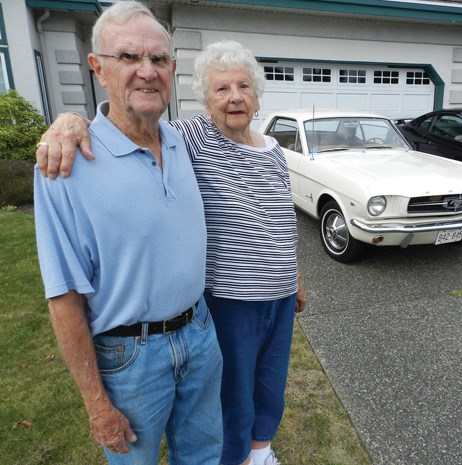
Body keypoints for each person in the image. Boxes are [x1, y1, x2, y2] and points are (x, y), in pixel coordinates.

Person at [37, 39, 308, 465]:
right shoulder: (190, 137)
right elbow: (124, 124)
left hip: (280, 294)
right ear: (205, 100)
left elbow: (280, 219)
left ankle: (261, 453)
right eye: (221, 90)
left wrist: (294, 279)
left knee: (271, 385)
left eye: (243, 87)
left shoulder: (272, 150)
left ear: (257, 97)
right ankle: (237, 457)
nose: (234, 97)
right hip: (233, 298)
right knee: (234, 395)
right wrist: (70, 120)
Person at [33, 2, 223, 464]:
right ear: (98, 68)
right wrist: (96, 403)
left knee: (205, 456)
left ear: (172, 70)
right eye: (129, 57)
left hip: (199, 333)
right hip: (129, 359)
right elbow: (63, 296)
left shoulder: (183, 140)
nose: (147, 72)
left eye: (158, 59)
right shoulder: (66, 164)